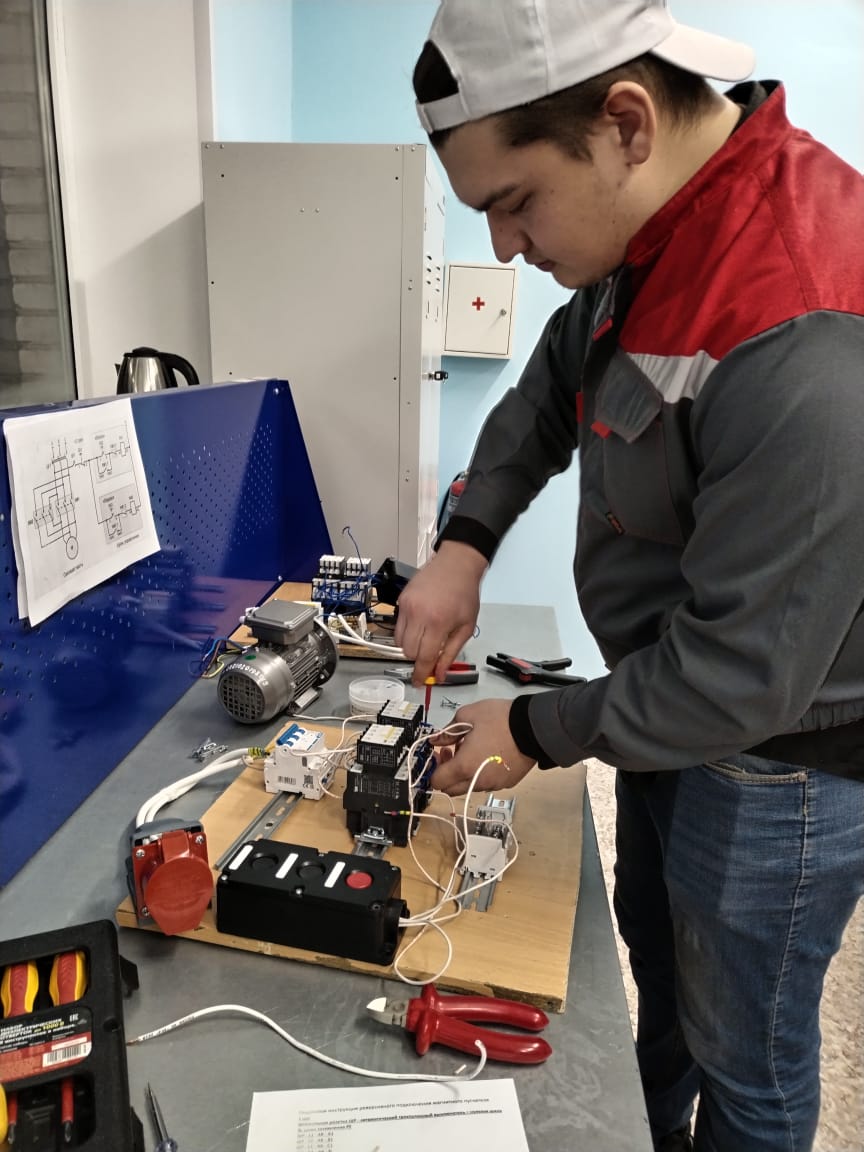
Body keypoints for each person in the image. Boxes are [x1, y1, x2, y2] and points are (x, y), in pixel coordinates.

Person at [393, 2, 864, 1150]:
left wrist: (535, 728)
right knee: (660, 974)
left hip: (782, 760)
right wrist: (463, 548)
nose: (505, 247)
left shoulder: (803, 327)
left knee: (746, 1060)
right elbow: (549, 393)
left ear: (625, 123)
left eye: (515, 202)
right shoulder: (647, 239)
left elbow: (741, 675)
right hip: (664, 707)